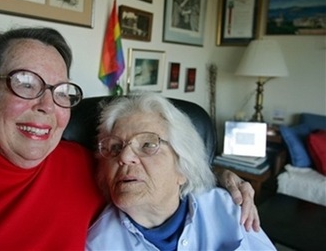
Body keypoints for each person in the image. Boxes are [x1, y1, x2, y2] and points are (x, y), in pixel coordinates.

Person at [0, 27, 257, 250]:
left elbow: (150, 169)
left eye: (60, 92)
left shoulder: (79, 162)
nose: (47, 106)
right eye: (25, 83)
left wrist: (219, 175)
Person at [86, 93, 275, 251]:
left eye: (148, 144)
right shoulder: (98, 244)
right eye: (115, 147)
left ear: (183, 166)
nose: (124, 157)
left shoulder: (228, 209)